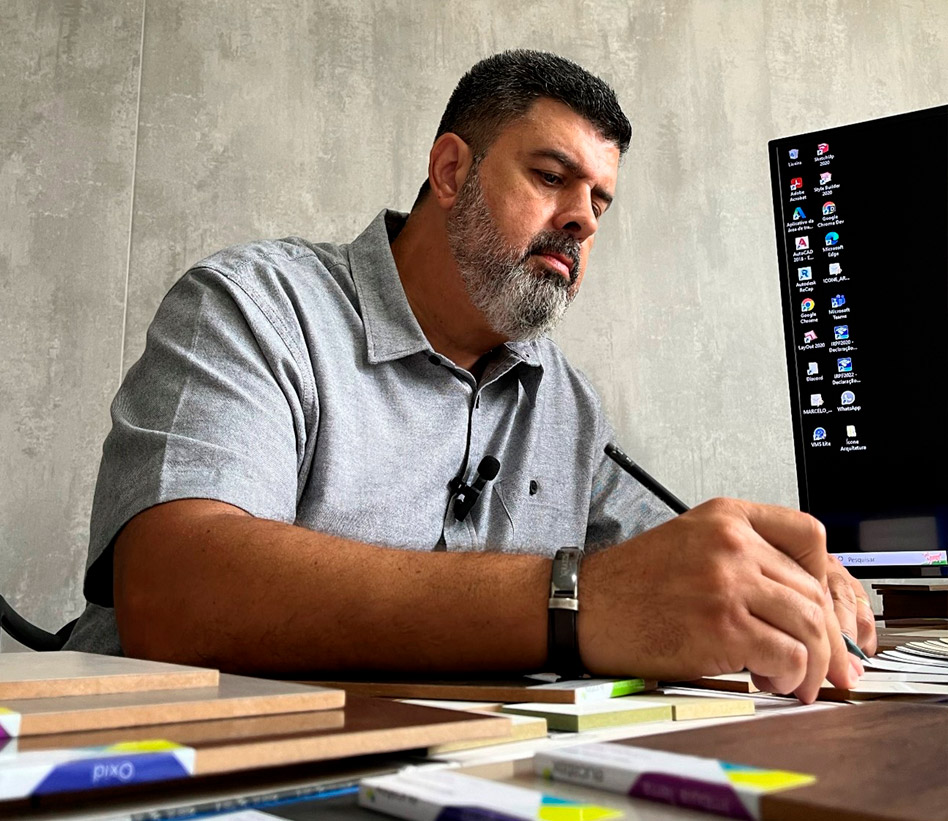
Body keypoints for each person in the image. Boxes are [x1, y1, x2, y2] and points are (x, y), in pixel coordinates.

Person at [65, 50, 876, 703]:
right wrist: (575, 601)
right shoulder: (256, 307)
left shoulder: (570, 406)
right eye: (552, 176)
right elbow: (174, 591)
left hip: (440, 777)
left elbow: (659, 575)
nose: (582, 218)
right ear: (451, 170)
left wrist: (773, 584)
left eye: (600, 202)